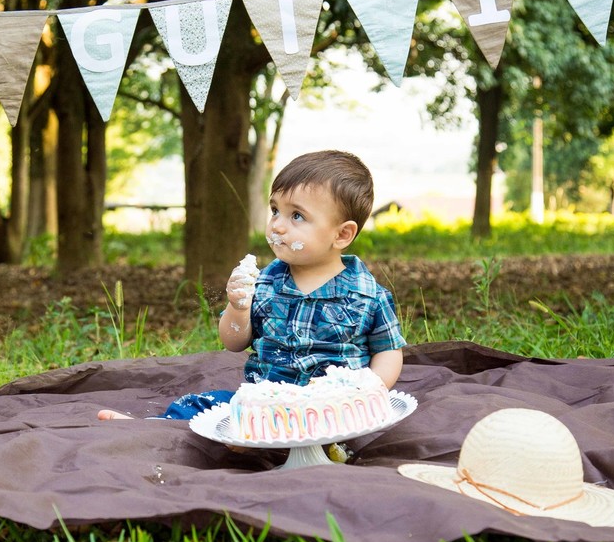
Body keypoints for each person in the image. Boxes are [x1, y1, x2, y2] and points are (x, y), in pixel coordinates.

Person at [98, 149, 405, 420]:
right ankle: (157, 431)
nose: (278, 225)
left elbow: (389, 351)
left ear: (341, 235)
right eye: (275, 210)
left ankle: (312, 450)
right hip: (262, 407)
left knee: (357, 428)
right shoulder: (267, 282)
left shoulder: (366, 294)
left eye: (297, 215)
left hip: (332, 410)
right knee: (200, 406)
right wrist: (238, 307)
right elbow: (234, 342)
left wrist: (370, 389)